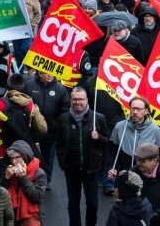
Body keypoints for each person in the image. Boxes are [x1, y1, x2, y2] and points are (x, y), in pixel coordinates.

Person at [56, 87, 110, 226]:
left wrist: (98, 138)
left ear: (87, 100)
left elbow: (107, 141)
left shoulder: (98, 118)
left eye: (80, 99)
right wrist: (63, 162)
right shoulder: (64, 118)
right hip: (72, 169)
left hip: (91, 170)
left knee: (92, 203)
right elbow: (59, 142)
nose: (77, 102)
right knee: (73, 203)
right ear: (70, 100)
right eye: (74, 99)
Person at [0, 73, 48, 181]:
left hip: (1, 152)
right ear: (22, 87)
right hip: (23, 152)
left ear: (8, 85)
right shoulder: (30, 106)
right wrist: (38, 113)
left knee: (4, 182)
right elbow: (43, 129)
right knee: (22, 182)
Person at [23, 71, 70, 188]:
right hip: (31, 129)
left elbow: (65, 108)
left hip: (51, 129)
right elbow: (21, 104)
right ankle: (30, 177)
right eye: (46, 73)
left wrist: (57, 123)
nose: (50, 75)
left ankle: (46, 180)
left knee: (48, 156)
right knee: (30, 155)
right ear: (39, 73)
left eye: (52, 73)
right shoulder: (28, 85)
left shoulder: (60, 88)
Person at [106, 97, 160, 192]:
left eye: (139, 109)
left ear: (146, 111)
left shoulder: (155, 130)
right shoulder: (120, 127)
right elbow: (112, 151)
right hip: (124, 176)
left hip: (146, 179)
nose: (135, 112)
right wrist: (111, 168)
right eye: (133, 108)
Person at [0, 140, 47, 225]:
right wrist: (6, 178)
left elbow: (37, 197)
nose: (14, 162)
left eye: (17, 157)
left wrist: (23, 178)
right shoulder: (10, 171)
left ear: (25, 156)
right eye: (11, 158)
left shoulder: (39, 173)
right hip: (11, 216)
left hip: (30, 218)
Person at [14, 0, 40, 66]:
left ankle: (29, 67)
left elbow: (38, 15)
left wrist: (31, 26)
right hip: (17, 29)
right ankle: (18, 70)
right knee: (17, 50)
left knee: (25, 49)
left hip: (27, 30)